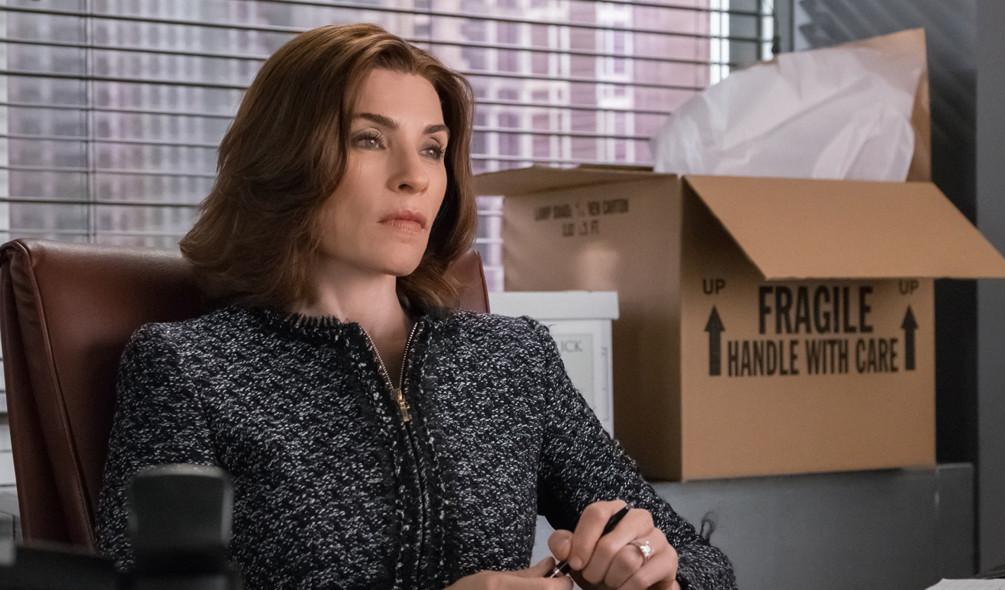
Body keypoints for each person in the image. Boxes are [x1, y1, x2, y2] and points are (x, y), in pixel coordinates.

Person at [95, 23, 737, 590]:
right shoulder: (189, 369)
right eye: (369, 139)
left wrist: (653, 570)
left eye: (432, 148)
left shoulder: (512, 360)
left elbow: (706, 563)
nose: (416, 175)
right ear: (286, 158)